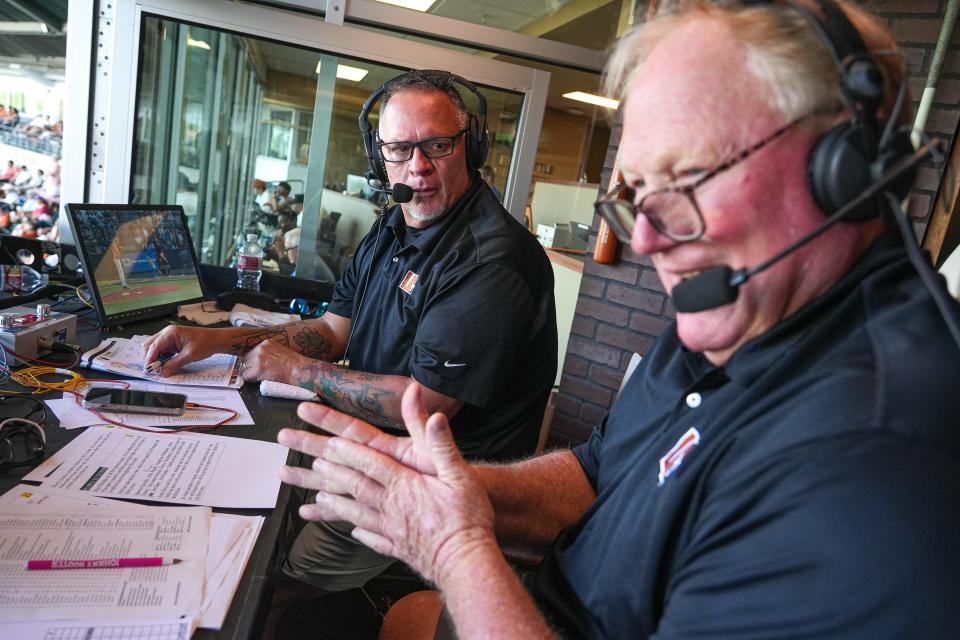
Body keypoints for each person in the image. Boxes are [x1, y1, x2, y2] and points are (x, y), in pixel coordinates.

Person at [276, 2, 960, 638]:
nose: (649, 242)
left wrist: (453, 546)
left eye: (686, 178)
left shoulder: (872, 469)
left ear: (842, 167)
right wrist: (444, 492)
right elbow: (599, 474)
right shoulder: (736, 310)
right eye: (639, 192)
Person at [144, 70, 558, 591]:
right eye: (400, 149)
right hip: (371, 447)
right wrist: (217, 341)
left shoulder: (490, 261)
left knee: (269, 567)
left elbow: (425, 404)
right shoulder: (395, 225)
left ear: (470, 145)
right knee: (240, 485)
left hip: (437, 486)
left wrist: (296, 368)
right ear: (378, 156)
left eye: (438, 145)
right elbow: (334, 329)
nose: (419, 166)